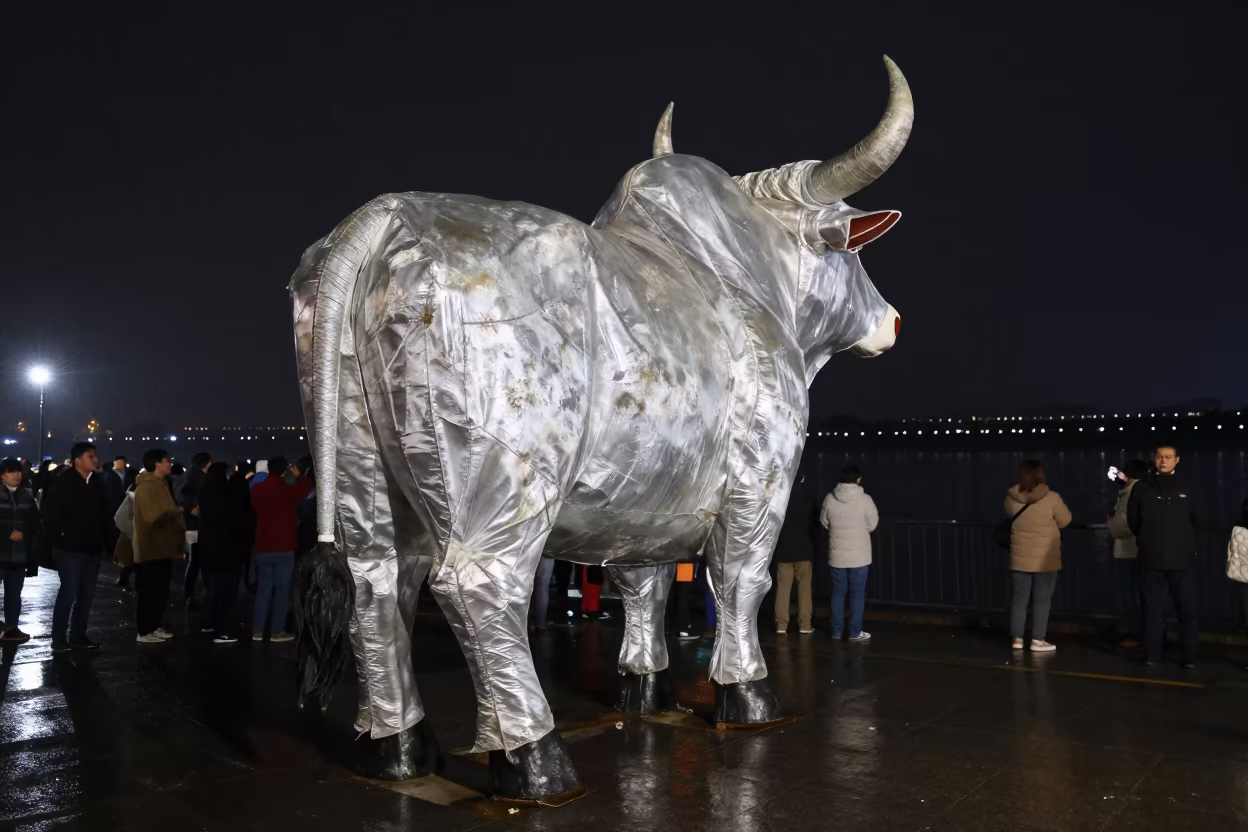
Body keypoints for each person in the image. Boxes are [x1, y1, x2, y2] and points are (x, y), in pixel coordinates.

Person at [1128, 444, 1201, 668]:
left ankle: (1190, 656)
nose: (1163, 460)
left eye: (1168, 457)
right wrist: (1148, 538)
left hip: (1181, 559)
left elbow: (1198, 520)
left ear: (1177, 460)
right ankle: (1152, 655)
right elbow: (1133, 521)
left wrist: (1189, 546)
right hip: (1151, 559)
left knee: (1186, 609)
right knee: (1152, 610)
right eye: (1160, 456)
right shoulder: (1141, 487)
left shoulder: (1188, 486)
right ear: (1154, 458)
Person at [42, 442, 110, 652]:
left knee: (86, 595)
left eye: (95, 456)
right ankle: (59, 638)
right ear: (77, 460)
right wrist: (62, 536)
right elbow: (49, 513)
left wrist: (105, 541)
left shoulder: (96, 482)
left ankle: (79, 635)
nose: (95, 460)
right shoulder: (63, 482)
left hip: (92, 548)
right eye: (90, 456)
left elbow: (104, 514)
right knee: (68, 592)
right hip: (70, 549)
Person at [1004, 460, 1072, 653]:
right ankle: (1037, 640)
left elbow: (1010, 516)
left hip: (1019, 558)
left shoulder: (1011, 497)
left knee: (1019, 600)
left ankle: (1017, 639)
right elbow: (1065, 520)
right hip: (1045, 559)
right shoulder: (1051, 498)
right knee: (1042, 600)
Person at [250, 455, 311, 642]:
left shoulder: (257, 489)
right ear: (285, 470)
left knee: (263, 590)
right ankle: (277, 630)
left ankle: (258, 631)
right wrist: (299, 475)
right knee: (282, 590)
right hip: (283, 546)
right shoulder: (287, 489)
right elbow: (306, 489)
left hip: (263, 546)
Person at [133, 448, 186, 644]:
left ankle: (154, 626)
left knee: (160, 591)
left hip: (163, 548)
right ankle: (145, 630)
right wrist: (175, 512)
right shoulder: (148, 487)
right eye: (166, 461)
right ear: (157, 464)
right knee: (150, 592)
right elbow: (152, 518)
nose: (170, 464)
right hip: (152, 548)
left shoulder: (160, 485)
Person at [822, 465, 879, 642]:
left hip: (837, 556)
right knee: (857, 594)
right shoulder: (865, 500)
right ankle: (855, 632)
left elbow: (824, 521)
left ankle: (836, 632)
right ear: (858, 479)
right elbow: (873, 523)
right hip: (859, 556)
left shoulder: (830, 498)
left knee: (838, 594)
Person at [197, 462, 253, 644]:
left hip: (209, 549)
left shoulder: (206, 493)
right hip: (227, 551)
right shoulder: (225, 496)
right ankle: (225, 630)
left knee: (213, 588)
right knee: (227, 592)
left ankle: (209, 623)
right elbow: (236, 522)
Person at [1107, 459, 1150, 648]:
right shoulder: (1149, 490)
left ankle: (1137, 634)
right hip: (1144, 551)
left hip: (1128, 551)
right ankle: (1149, 633)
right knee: (1145, 595)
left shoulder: (1130, 493)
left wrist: (1110, 520)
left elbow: (1123, 524)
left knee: (1130, 596)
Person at [1, 458, 44, 642]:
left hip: (19, 555)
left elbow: (35, 522)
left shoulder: (26, 495)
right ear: (2, 475)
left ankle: (12, 628)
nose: (16, 475)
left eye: (18, 471)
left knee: (14, 595)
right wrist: (6, 534)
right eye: (11, 471)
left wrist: (23, 533)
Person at [775, 473, 819, 635]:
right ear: (802, 479)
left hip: (783, 549)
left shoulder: (779, 499)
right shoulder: (808, 498)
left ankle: (781, 625)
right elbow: (815, 524)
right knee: (804, 588)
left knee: (783, 589)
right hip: (804, 549)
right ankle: (805, 625)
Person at [178, 452, 212, 604]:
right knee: (197, 560)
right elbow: (185, 494)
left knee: (195, 560)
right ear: (206, 463)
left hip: (191, 524)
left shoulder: (188, 474)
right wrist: (191, 507)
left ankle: (190, 592)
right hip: (197, 524)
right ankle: (192, 593)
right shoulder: (197, 476)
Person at [102, 455, 134, 587]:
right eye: (118, 462)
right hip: (113, 508)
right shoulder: (109, 476)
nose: (121, 464)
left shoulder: (129, 476)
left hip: (124, 508)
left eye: (122, 462)